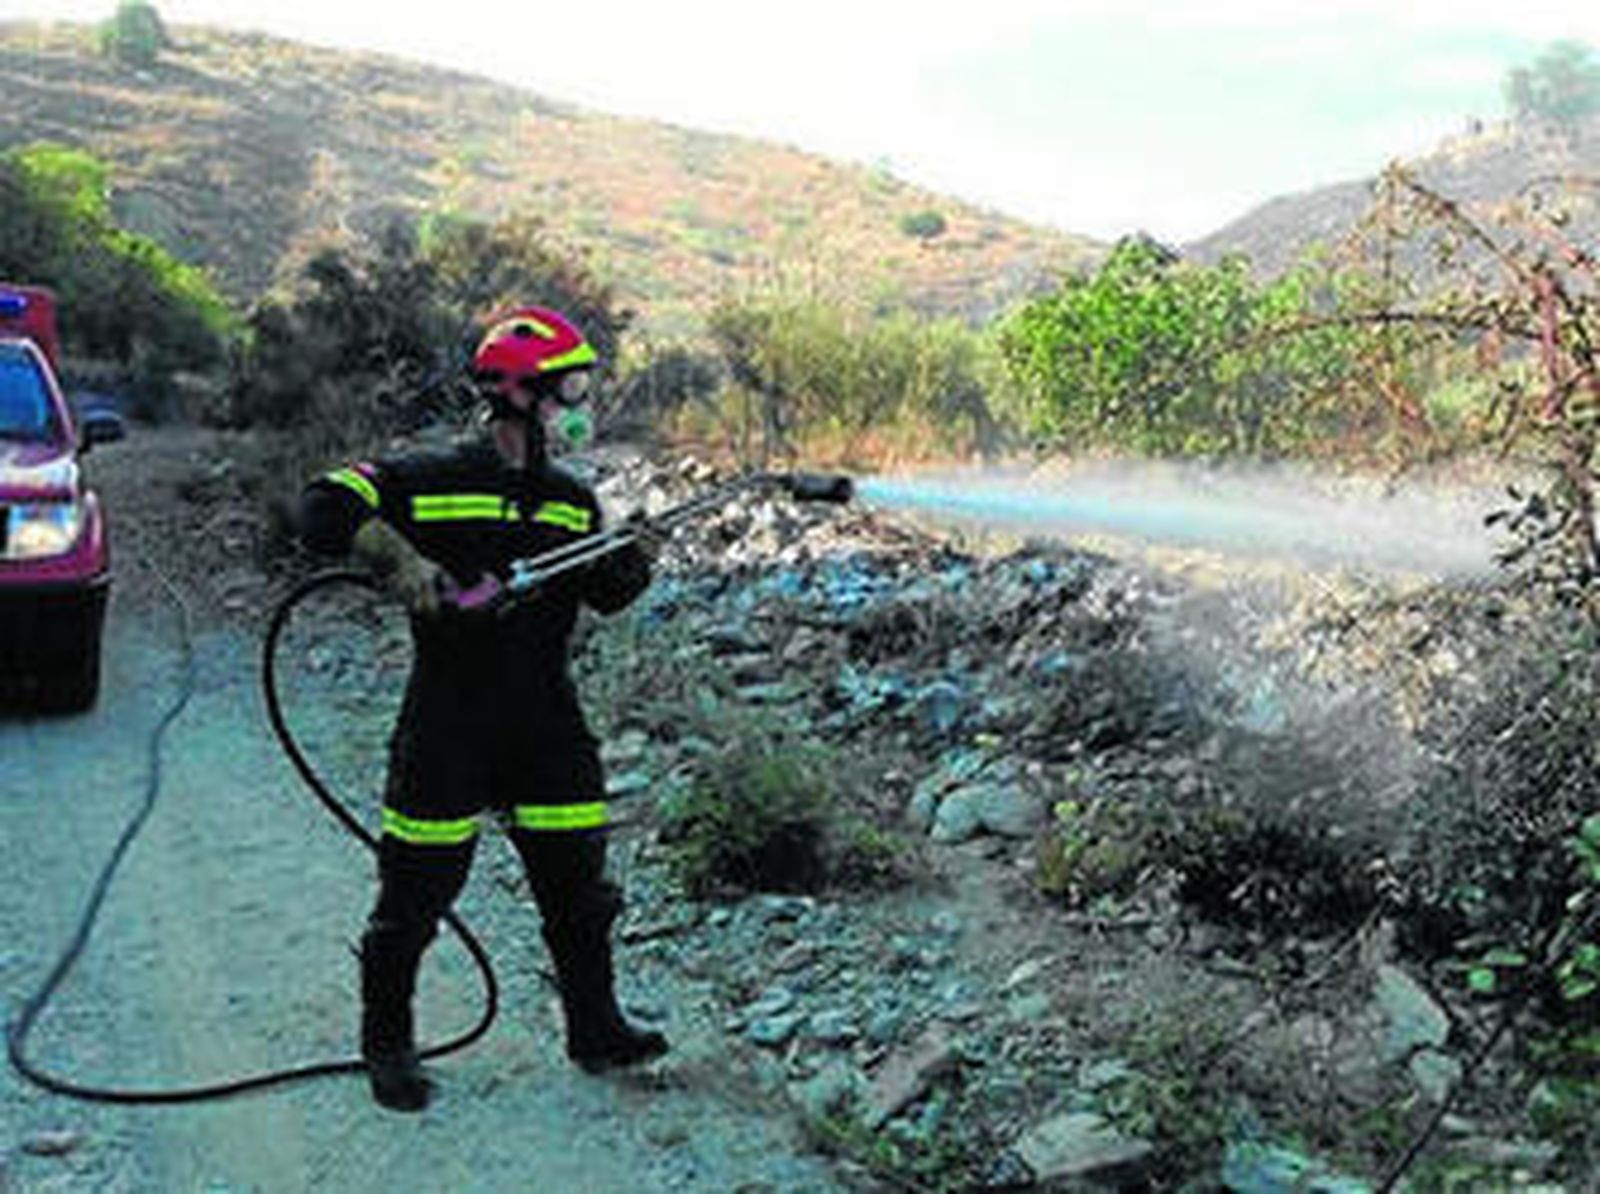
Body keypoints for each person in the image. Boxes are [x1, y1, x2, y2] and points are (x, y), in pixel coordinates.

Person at [297, 305, 669, 1113]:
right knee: (414, 895)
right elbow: (322, 505)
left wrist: (636, 558)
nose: (580, 407)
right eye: (571, 388)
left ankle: (595, 1027)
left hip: (545, 723)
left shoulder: (570, 500)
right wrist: (400, 560)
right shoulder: (426, 477)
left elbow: (602, 594)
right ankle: (388, 1043)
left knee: (580, 892)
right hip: (447, 724)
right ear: (518, 391)